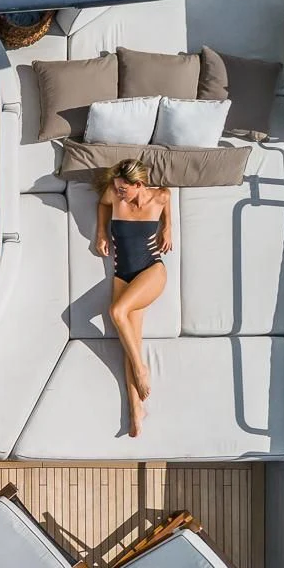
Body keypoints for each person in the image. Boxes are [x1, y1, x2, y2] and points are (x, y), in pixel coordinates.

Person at [92, 159, 173, 439]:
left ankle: (141, 369)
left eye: (124, 188)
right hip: (122, 275)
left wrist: (167, 227)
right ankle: (137, 411)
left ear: (139, 185)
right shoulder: (113, 197)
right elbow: (102, 205)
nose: (119, 192)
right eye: (117, 187)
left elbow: (168, 196)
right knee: (130, 344)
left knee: (117, 312)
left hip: (151, 271)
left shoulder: (159, 196)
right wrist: (101, 232)